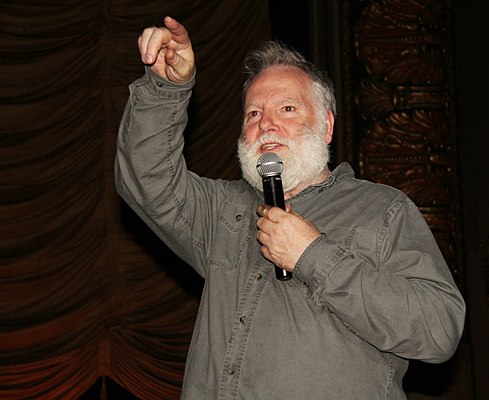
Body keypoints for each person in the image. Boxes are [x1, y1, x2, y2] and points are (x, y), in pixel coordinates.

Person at [115, 16, 465, 400]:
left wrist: (312, 255)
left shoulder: (381, 209)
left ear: (326, 127)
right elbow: (146, 178)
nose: (265, 124)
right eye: (252, 114)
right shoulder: (223, 212)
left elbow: (439, 328)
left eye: (286, 109)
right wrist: (167, 88)